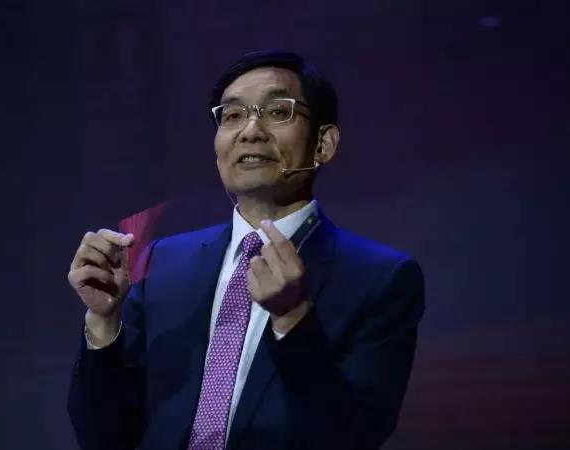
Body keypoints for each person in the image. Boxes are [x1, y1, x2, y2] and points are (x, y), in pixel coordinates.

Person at [66, 50, 425, 450]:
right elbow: (104, 436)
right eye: (233, 115)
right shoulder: (163, 261)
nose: (250, 131)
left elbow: (354, 436)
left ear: (323, 144)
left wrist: (293, 320)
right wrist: (103, 323)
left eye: (278, 112)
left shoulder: (380, 279)